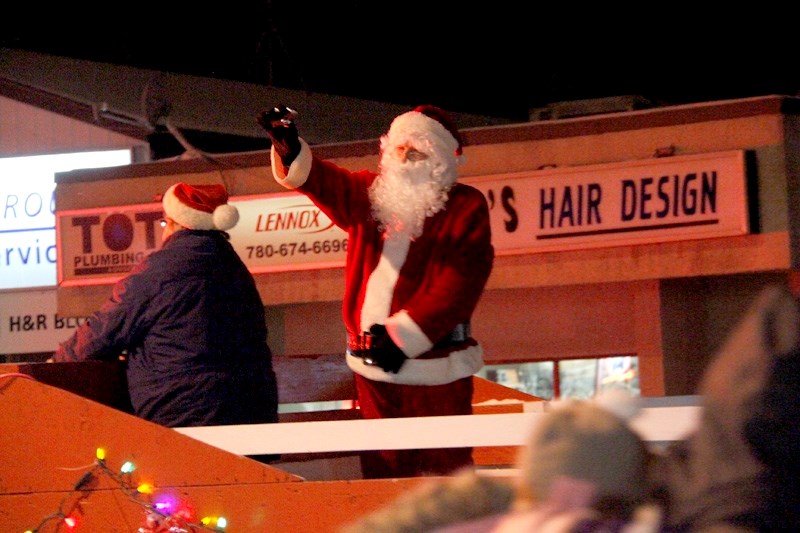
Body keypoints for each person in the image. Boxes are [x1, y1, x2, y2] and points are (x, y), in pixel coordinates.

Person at [257, 104, 495, 478]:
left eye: (416, 150)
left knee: (444, 477)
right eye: (398, 148)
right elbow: (323, 182)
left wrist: (402, 339)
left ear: (443, 158)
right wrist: (289, 149)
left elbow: (459, 282)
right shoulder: (370, 193)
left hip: (436, 368)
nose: (404, 158)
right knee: (383, 475)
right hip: (372, 371)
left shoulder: (465, 206)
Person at [52, 182, 280, 442]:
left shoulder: (161, 270)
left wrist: (55, 364)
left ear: (175, 223)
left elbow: (105, 330)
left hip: (183, 418)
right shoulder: (234, 268)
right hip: (252, 415)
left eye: (164, 223)